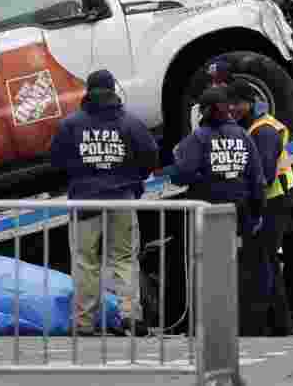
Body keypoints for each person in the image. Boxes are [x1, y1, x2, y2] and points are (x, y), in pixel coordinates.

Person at [50, 70, 160, 336]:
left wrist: (80, 176)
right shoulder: (130, 123)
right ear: (114, 90)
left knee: (85, 261)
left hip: (85, 203)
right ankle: (131, 315)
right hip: (122, 199)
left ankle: (84, 323)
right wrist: (133, 179)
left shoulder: (71, 125)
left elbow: (56, 161)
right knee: (123, 259)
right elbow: (151, 155)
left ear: (88, 91)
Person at [156, 86, 269, 335]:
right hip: (237, 214)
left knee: (205, 269)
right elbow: (257, 180)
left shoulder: (198, 138)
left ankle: (206, 325)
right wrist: (257, 213)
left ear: (204, 111)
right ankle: (234, 325)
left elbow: (182, 173)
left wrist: (180, 173)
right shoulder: (243, 136)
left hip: (206, 213)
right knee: (234, 269)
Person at [229, 80, 293, 336]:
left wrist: (251, 206)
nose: (233, 109)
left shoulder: (264, 131)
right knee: (265, 261)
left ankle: (262, 324)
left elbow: (264, 176)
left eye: (237, 104)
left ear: (249, 103)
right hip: (270, 198)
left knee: (261, 261)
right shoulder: (252, 125)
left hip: (274, 200)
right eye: (229, 104)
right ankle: (280, 325)